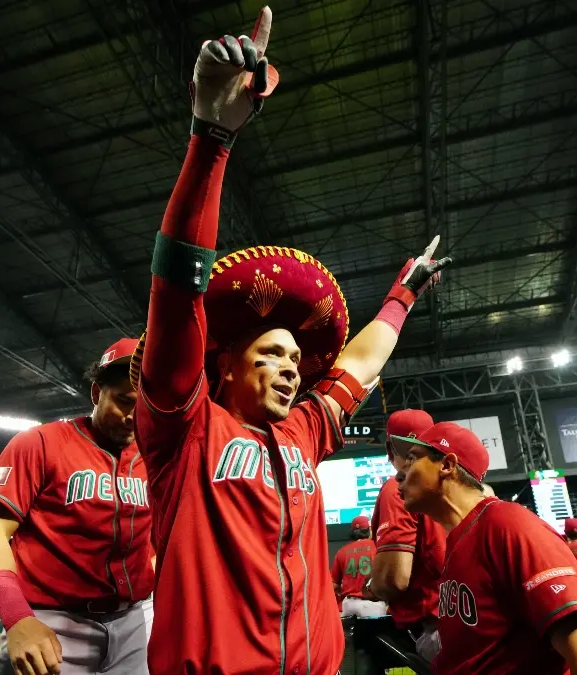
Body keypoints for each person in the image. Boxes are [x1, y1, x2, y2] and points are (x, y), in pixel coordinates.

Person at [128, 7, 451, 674]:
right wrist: (212, 138)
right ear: (224, 363)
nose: (291, 369)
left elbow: (362, 359)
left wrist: (403, 295)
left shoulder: (304, 429)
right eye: (271, 353)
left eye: (297, 359)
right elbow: (176, 291)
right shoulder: (183, 426)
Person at [0, 338, 154, 675]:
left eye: (144, 406)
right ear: (97, 393)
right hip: (53, 620)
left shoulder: (155, 459)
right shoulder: (40, 442)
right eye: (124, 401)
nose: (133, 416)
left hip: (136, 619)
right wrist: (18, 618)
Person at [397, 421, 577, 674]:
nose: (399, 474)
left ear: (447, 465)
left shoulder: (507, 523)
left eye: (411, 459)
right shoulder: (460, 538)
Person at [369, 408, 444, 662]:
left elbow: (394, 580)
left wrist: (371, 587)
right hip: (474, 619)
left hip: (437, 630)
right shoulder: (455, 482)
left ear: (390, 450)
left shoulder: (398, 488)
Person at [333, 516, 386, 618]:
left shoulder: (341, 552)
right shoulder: (377, 546)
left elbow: (334, 585)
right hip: (373, 605)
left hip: (349, 605)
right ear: (369, 529)